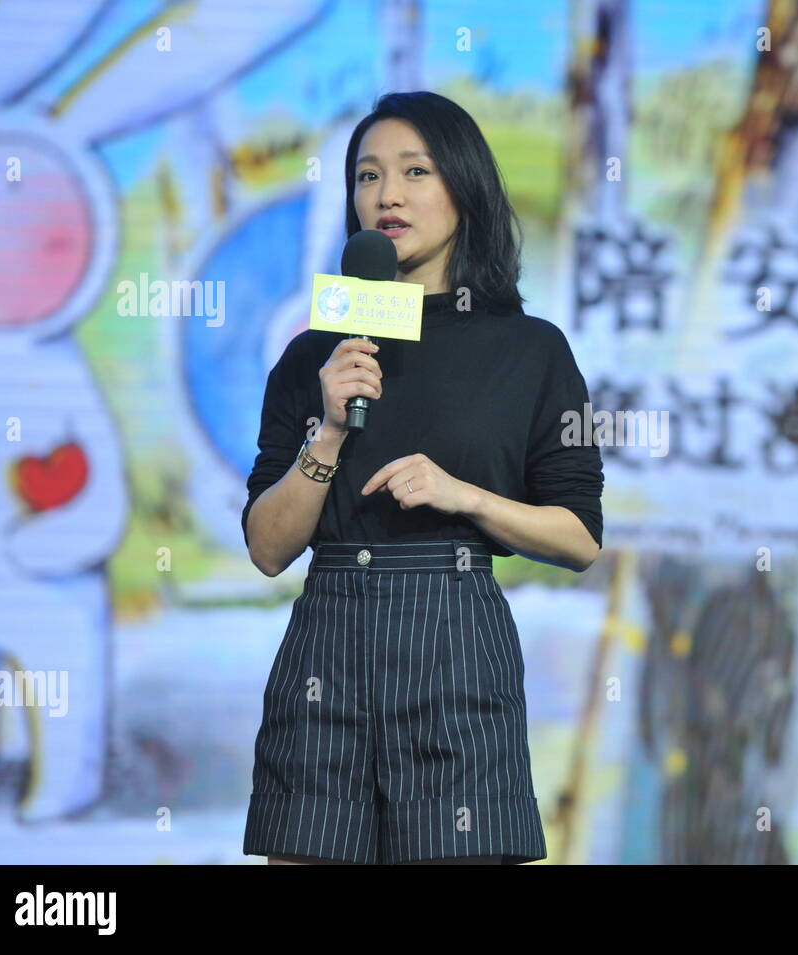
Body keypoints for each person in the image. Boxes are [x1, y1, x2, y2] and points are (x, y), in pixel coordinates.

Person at [240, 91, 603, 865]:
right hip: (326, 650)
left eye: (414, 171)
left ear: (463, 187)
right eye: (367, 176)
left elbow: (579, 537)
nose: (388, 195)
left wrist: (462, 495)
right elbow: (268, 548)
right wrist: (331, 428)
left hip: (454, 646)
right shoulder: (316, 356)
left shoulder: (529, 349)